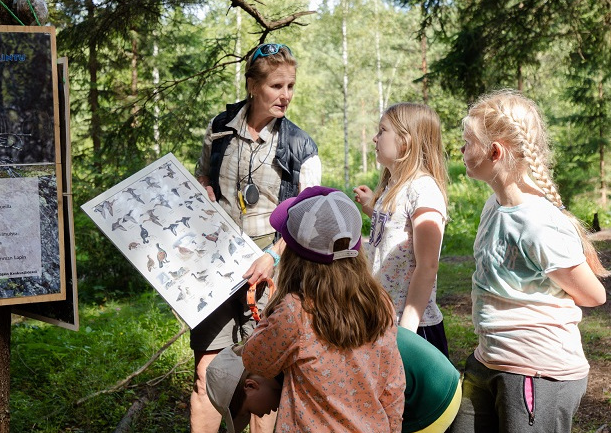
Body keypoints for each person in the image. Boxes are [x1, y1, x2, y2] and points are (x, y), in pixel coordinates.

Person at [449, 90, 609, 432]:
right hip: (489, 359)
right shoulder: (493, 205)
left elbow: (594, 295)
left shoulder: (539, 223)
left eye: (467, 142)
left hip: (536, 372)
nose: (461, 150)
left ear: (494, 151)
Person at [191, 42, 321, 433]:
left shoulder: (301, 146)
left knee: (262, 379)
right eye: (276, 86)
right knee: (206, 374)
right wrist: (203, 189)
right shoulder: (219, 128)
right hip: (214, 271)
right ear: (252, 85)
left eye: (291, 86)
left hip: (269, 273)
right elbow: (201, 175)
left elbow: (307, 217)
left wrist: (275, 257)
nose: (286, 96)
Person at [242, 186, 405, 432]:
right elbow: (393, 386)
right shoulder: (379, 302)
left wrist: (274, 306)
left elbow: (255, 359)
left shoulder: (295, 311)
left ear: (294, 256)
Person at [208, 327, 461, 433]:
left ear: (251, 386)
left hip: (429, 393)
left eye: (251, 411)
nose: (262, 416)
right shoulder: (286, 356)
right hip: (418, 379)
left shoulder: (303, 371)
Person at [353, 103, 450, 356]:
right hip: (383, 320)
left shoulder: (424, 190)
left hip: (412, 328)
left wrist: (406, 334)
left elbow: (427, 265)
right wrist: (371, 210)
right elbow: (398, 232)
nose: (375, 138)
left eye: (382, 130)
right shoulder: (392, 187)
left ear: (405, 142)